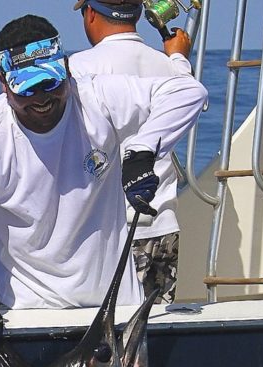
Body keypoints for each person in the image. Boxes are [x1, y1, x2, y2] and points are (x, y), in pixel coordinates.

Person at [0, 14, 207, 344]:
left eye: (50, 83)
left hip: (114, 313)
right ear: (3, 82)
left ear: (67, 69)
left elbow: (188, 92)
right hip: (28, 316)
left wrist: (141, 151)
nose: (41, 99)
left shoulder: (97, 97)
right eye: (26, 88)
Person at [70, 0, 193, 304]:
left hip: (108, 235)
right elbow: (191, 97)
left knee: (104, 339)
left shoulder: (77, 67)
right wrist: (179, 58)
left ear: (90, 14)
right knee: (152, 338)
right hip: (162, 227)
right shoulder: (170, 67)